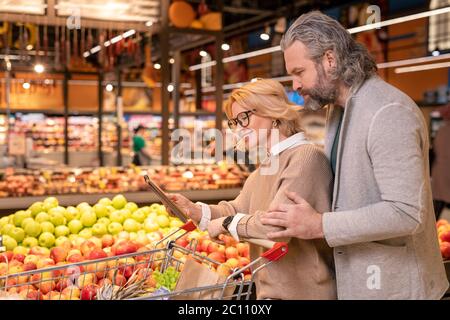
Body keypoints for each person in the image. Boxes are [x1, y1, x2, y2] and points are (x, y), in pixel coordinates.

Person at [260, 11, 448, 300]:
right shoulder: (339, 110)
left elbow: (406, 213)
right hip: (363, 280)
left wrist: (319, 224)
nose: (295, 85)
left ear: (330, 60)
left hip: (397, 288)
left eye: (299, 72)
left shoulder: (387, 112)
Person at [169, 79, 336, 300]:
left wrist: (228, 224)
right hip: (271, 292)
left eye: (244, 118)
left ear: (272, 111)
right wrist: (195, 211)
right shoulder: (267, 164)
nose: (238, 129)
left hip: (305, 293)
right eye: (234, 122)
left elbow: (276, 227)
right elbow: (238, 208)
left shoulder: (305, 157)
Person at [431, 105, 450, 219]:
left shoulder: (441, 131)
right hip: (445, 170)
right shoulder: (444, 131)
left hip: (440, 171)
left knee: (438, 203)